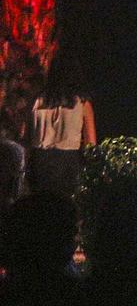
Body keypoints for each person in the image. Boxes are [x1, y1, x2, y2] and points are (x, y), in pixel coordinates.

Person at [27, 50, 95, 197]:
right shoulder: (82, 103)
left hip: (39, 162)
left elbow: (26, 136)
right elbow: (91, 146)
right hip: (68, 165)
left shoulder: (37, 100)